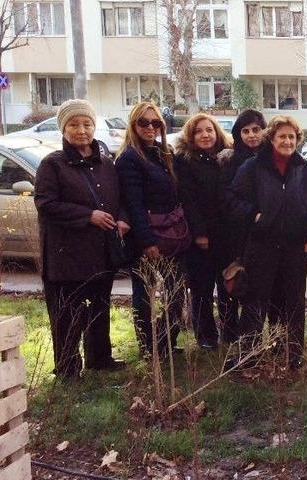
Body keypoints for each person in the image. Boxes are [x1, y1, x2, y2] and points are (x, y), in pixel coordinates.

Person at [226, 115, 307, 369]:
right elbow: (232, 199)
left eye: (291, 137)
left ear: (297, 140)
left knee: (291, 301)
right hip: (261, 245)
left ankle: (292, 353)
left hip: (293, 248)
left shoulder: (306, 171)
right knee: (256, 300)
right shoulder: (253, 168)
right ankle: (249, 354)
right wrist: (254, 215)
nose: (287, 141)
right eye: (282, 136)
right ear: (272, 139)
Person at [34, 99, 129, 380]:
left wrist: (122, 218)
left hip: (100, 251)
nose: (81, 130)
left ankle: (100, 358)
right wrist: (89, 215)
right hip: (66, 255)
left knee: (99, 306)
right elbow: (45, 203)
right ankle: (67, 367)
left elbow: (120, 198)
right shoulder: (53, 164)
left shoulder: (105, 161)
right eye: (74, 125)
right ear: (63, 129)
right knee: (67, 314)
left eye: (86, 124)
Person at [116, 101, 188, 357]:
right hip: (145, 238)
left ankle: (164, 342)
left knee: (177, 291)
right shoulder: (129, 159)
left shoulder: (162, 153)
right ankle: (148, 347)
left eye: (155, 122)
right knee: (144, 293)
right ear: (133, 125)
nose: (150, 127)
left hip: (171, 236)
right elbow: (133, 204)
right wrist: (148, 242)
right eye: (143, 122)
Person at [175, 113, 233, 350]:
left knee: (228, 286)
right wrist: (199, 233)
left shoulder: (228, 158)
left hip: (227, 234)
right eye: (198, 131)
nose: (205, 135)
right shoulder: (185, 162)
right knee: (202, 289)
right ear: (190, 136)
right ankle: (206, 335)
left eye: (209, 129)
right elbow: (187, 199)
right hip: (201, 237)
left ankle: (230, 332)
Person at [216, 110, 268, 343]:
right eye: (245, 131)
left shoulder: (272, 156)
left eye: (256, 130)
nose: (251, 136)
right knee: (234, 284)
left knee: (258, 288)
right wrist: (251, 213)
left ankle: (252, 337)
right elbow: (226, 199)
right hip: (237, 233)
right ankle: (229, 335)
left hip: (266, 232)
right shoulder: (232, 160)